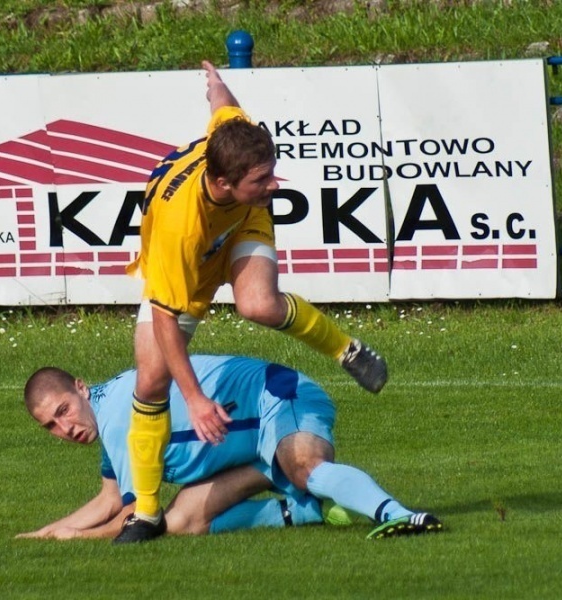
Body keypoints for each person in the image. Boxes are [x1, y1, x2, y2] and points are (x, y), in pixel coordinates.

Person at [121, 60, 388, 543]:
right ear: (222, 182)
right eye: (262, 179)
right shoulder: (178, 230)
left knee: (259, 304)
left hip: (239, 225)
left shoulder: (234, 150)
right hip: (193, 260)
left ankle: (347, 350)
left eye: (271, 172)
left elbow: (225, 111)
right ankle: (145, 513)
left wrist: (218, 87)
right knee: (151, 378)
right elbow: (165, 321)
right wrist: (197, 400)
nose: (275, 185)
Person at [19, 355, 442, 542]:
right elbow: (110, 499)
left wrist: (78, 539)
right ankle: (306, 510)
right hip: (249, 445)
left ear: (80, 388)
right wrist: (46, 532)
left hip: (278, 398)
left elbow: (135, 516)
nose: (64, 427)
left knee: (304, 467)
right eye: (51, 426)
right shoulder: (107, 413)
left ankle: (400, 515)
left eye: (63, 411)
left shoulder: (117, 418)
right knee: (182, 522)